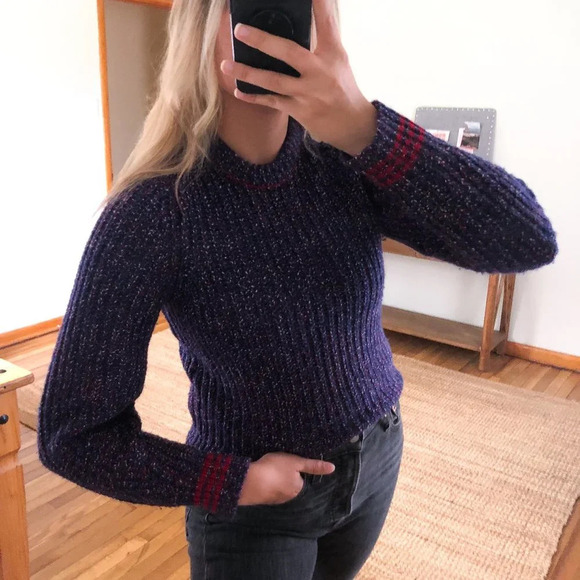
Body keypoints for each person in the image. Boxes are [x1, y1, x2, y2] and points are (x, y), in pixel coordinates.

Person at [37, 0, 558, 578]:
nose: (276, 21)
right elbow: (72, 434)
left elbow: (528, 240)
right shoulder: (154, 211)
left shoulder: (345, 161)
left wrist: (362, 125)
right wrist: (234, 482)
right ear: (200, 27)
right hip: (256, 506)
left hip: (378, 452)